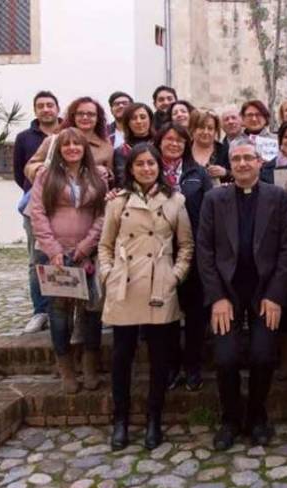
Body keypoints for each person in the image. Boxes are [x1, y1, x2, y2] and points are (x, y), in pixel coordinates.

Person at [197, 137, 287, 450]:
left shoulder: (279, 198)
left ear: (259, 162)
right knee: (225, 358)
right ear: (230, 164)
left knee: (263, 355)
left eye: (248, 158)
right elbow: (205, 251)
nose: (242, 164)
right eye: (236, 159)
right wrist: (217, 298)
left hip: (264, 291)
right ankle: (230, 419)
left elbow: (286, 249)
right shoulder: (215, 199)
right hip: (227, 292)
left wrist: (276, 294)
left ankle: (256, 416)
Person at [99, 143, 194, 451]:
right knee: (121, 358)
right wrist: (108, 274)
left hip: (159, 286)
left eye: (151, 164)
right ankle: (121, 420)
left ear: (159, 167)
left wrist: (174, 276)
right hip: (125, 286)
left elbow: (186, 246)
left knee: (159, 359)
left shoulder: (175, 200)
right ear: (131, 168)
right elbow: (105, 245)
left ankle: (154, 419)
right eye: (139, 164)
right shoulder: (117, 201)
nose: (146, 169)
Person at [29, 127, 108, 395]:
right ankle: (66, 368)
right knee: (59, 314)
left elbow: (102, 214)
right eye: (67, 144)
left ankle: (89, 365)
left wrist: (86, 246)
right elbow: (37, 214)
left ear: (85, 148)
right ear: (59, 149)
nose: (72, 148)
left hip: (87, 253)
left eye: (78, 144)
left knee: (91, 313)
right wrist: (53, 250)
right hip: (55, 256)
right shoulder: (46, 176)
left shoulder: (97, 176)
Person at [154, 123, 213, 391]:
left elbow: (209, 211)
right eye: (169, 139)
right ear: (160, 141)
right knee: (165, 316)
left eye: (179, 140)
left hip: (193, 253)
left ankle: (192, 366)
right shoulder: (148, 171)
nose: (174, 144)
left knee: (195, 315)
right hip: (158, 253)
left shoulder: (197, 174)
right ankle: (170, 366)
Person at [14, 90, 60, 334]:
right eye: (41, 106)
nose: (46, 109)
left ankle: (63, 309)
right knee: (37, 260)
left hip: (64, 207)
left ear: (57, 109)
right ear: (35, 111)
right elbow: (20, 173)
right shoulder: (24, 138)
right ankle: (40, 311)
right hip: (36, 207)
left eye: (50, 105)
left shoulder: (66, 134)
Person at [25, 96, 114, 186]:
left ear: (98, 118)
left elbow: (112, 179)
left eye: (91, 114)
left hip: (93, 197)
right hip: (55, 196)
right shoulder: (54, 140)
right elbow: (30, 166)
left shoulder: (106, 147)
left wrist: (105, 172)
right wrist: (45, 173)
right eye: (80, 113)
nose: (85, 117)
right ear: (73, 116)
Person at [112, 102, 154, 185]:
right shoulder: (121, 151)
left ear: (150, 119)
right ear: (128, 122)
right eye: (134, 118)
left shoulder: (160, 145)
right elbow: (122, 179)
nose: (139, 121)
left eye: (143, 117)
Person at [189, 109, 230, 183]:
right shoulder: (184, 150)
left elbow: (238, 175)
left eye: (210, 128)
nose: (206, 132)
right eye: (201, 127)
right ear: (193, 128)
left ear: (215, 131)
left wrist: (225, 173)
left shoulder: (225, 151)